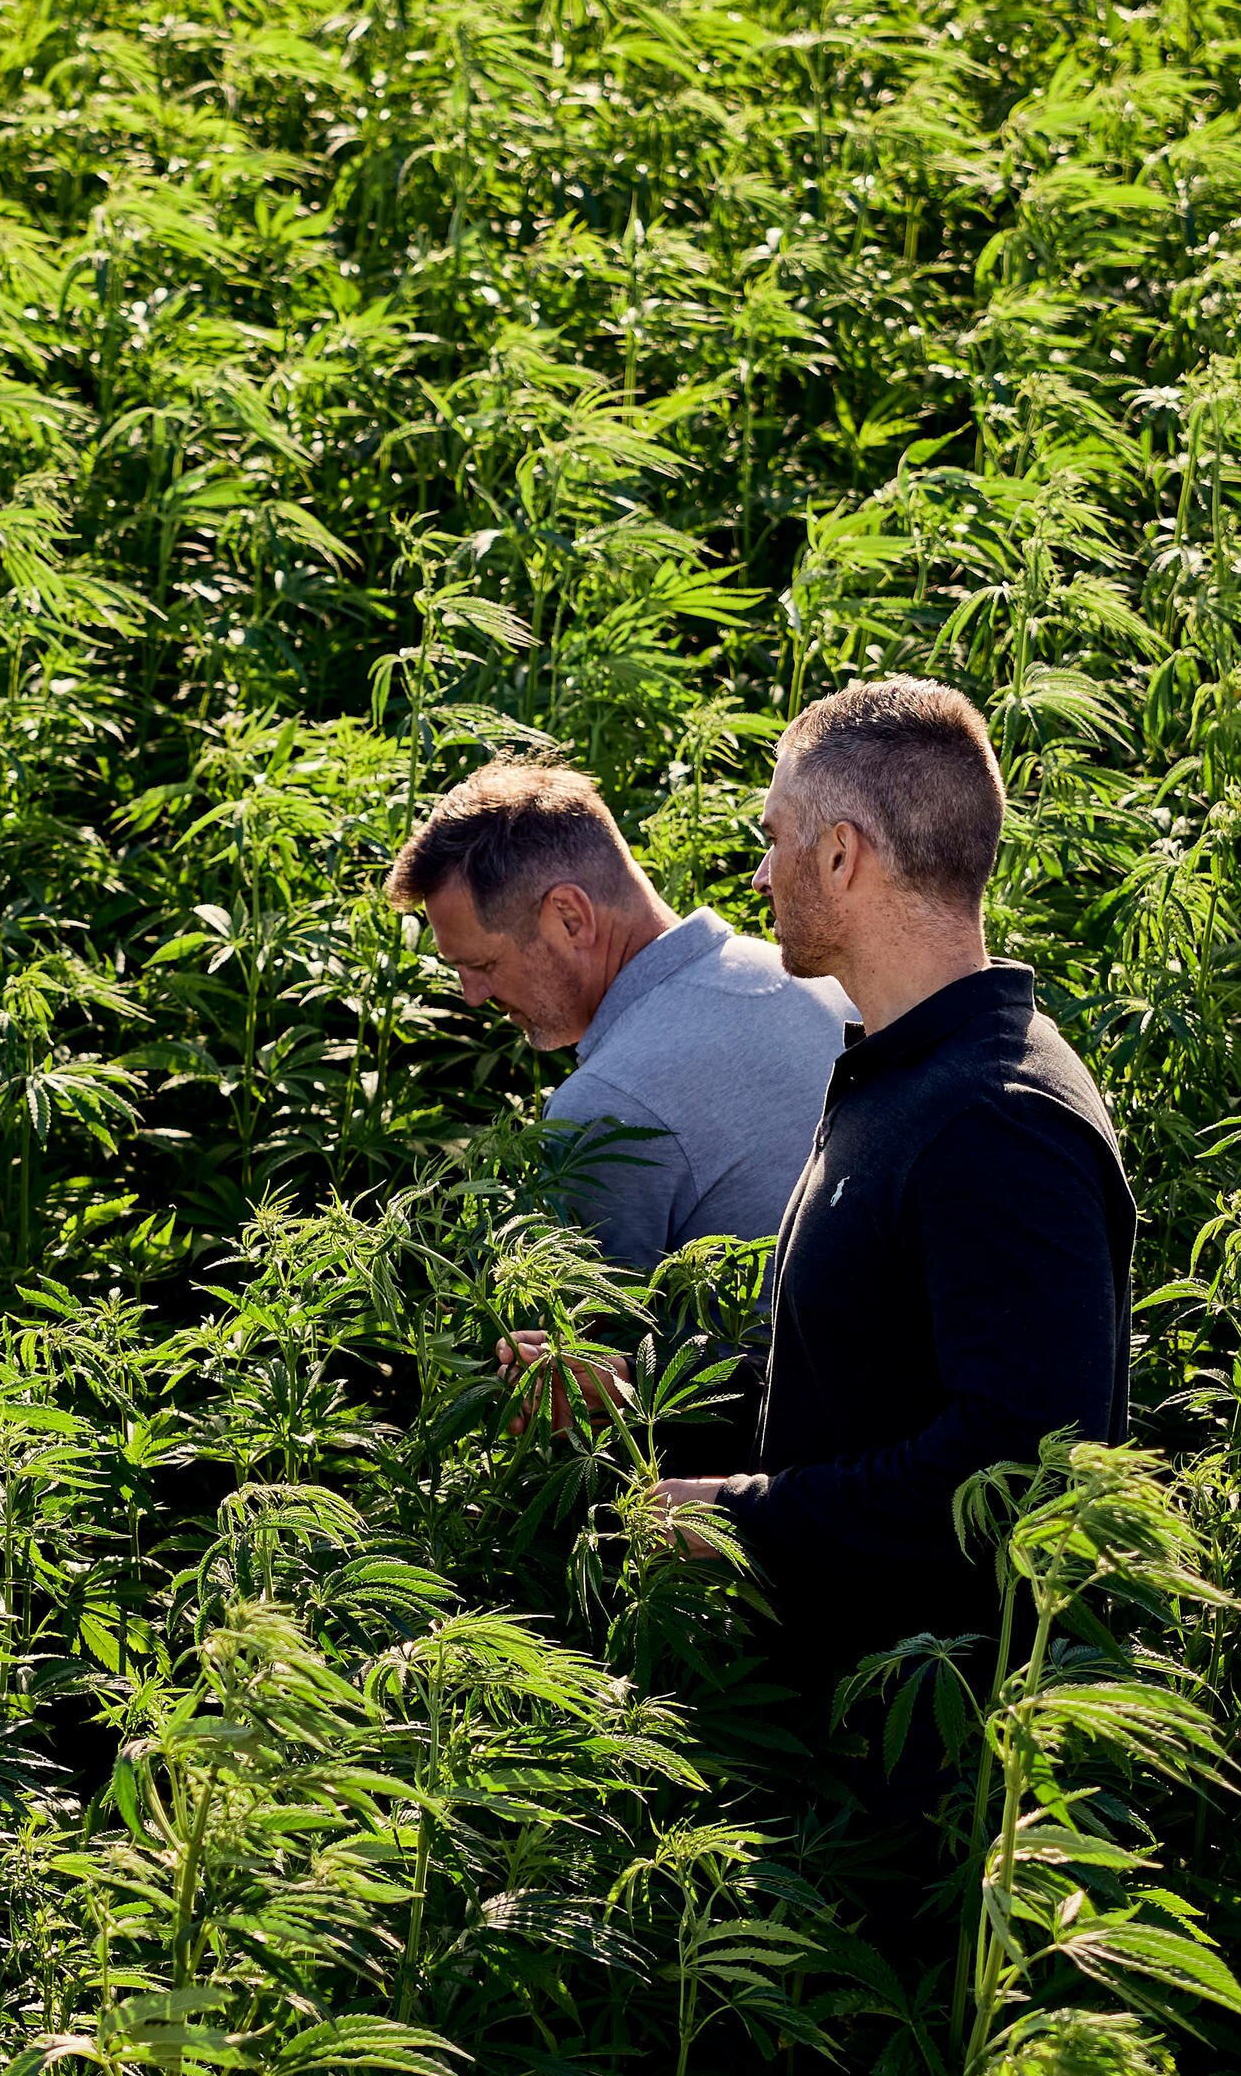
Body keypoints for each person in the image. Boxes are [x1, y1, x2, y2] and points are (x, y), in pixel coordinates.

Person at [647, 678, 1134, 1699]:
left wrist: (734, 1517)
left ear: (840, 852)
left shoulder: (996, 1117)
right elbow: (863, 1381)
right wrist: (648, 1388)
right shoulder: (903, 1072)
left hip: (943, 1760)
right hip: (857, 1715)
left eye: (776, 835)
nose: (761, 868)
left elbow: (1017, 1463)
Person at [386, 759, 852, 1270]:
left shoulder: (602, 1106)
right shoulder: (823, 983)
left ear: (570, 916)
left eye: (482, 964)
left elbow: (599, 1342)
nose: (471, 995)